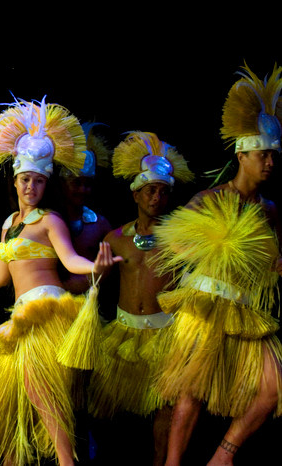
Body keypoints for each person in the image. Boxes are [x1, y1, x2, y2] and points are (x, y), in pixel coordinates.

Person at [0, 97, 121, 466]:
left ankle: (66, 460)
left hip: (46, 314)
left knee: (41, 392)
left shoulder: (50, 221)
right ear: (15, 180)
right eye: (26, 180)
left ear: (46, 185)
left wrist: (95, 268)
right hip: (21, 318)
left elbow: (70, 260)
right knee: (12, 411)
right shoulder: (9, 224)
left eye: (39, 182)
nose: (31, 187)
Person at [151, 64, 282, 466]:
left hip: (245, 311)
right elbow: (171, 244)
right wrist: (216, 246)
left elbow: (270, 263)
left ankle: (222, 456)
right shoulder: (210, 199)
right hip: (206, 307)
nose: (270, 164)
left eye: (274, 156)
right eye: (263, 155)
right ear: (242, 154)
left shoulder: (270, 211)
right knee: (189, 393)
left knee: (274, 386)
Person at [87, 131, 194, 466]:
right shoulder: (115, 238)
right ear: (135, 193)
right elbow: (96, 284)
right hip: (123, 335)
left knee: (165, 410)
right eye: (151, 190)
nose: (157, 197)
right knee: (109, 410)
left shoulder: (181, 239)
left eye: (164, 191)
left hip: (165, 336)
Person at [57, 122, 113, 295]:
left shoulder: (101, 225)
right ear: (62, 183)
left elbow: (108, 271)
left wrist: (88, 281)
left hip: (87, 307)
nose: (83, 189)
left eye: (88, 184)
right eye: (76, 183)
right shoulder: (49, 220)